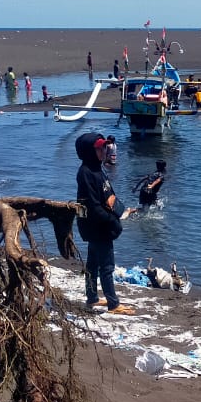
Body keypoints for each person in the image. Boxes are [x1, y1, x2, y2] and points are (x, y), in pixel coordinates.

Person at [75, 132, 134, 315]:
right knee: (107, 267)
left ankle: (92, 298)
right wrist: (112, 222)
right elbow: (92, 206)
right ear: (89, 151)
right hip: (97, 226)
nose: (103, 150)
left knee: (92, 264)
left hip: (100, 225)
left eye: (104, 147)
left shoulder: (97, 169)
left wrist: (119, 211)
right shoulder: (86, 173)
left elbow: (108, 196)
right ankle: (113, 304)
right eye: (99, 148)